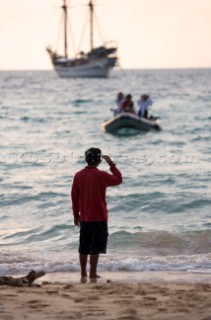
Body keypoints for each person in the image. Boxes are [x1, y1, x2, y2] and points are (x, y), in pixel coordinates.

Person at [71, 147, 122, 281]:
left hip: (85, 218)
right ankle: (92, 274)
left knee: (83, 246)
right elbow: (118, 179)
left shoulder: (78, 175)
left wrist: (76, 215)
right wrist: (111, 163)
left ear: (86, 159)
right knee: (95, 247)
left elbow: (74, 197)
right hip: (99, 218)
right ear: (99, 161)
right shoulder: (101, 175)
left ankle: (83, 274)